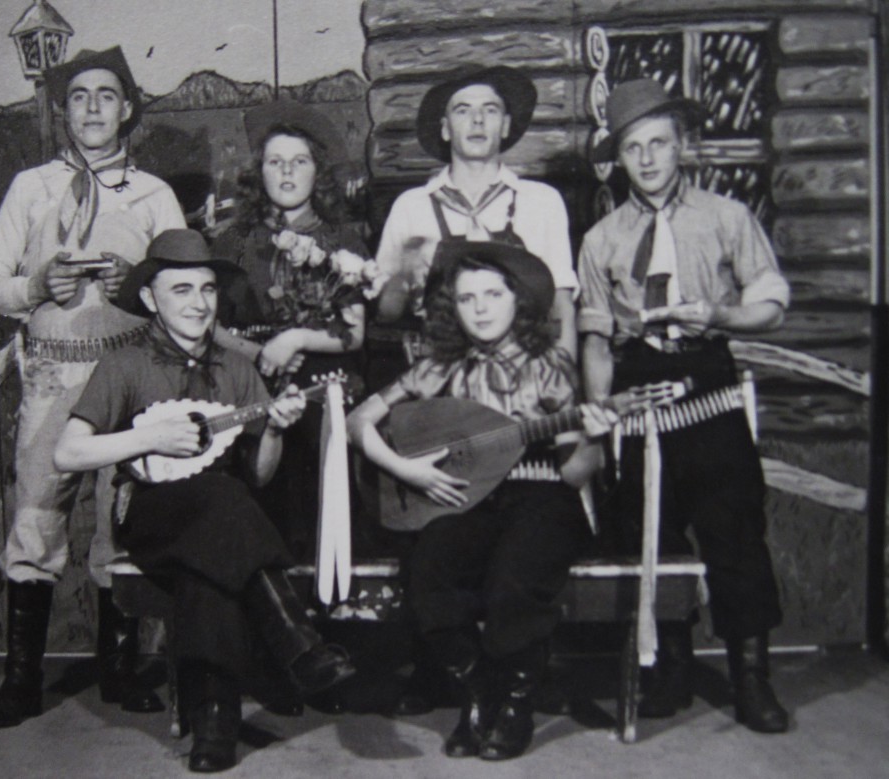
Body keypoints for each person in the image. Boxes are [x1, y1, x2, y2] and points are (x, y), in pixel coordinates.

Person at [54, 229, 356, 773]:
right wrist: (149, 439)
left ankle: (214, 722)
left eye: (208, 289)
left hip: (219, 521)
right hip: (150, 512)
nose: (199, 303)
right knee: (221, 502)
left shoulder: (237, 368)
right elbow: (67, 453)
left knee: (212, 545)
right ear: (150, 298)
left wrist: (273, 432)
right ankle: (298, 642)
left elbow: (261, 478)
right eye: (181, 290)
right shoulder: (125, 364)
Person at [0, 46, 186, 728]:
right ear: (62, 111)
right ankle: (21, 681)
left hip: (127, 375)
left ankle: (119, 670)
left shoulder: (153, 194)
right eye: (80, 96)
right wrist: (38, 286)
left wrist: (140, 283)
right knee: (37, 514)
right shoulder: (31, 188)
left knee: (118, 517)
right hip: (52, 375)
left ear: (128, 109)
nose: (93, 107)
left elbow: (185, 287)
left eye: (107, 95)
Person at [577, 78, 791, 733]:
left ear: (683, 146)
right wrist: (600, 405)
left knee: (734, 532)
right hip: (640, 388)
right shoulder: (602, 238)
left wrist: (721, 312)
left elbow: (772, 305)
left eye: (658, 144)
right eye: (632, 148)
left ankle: (750, 675)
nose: (646, 160)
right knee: (649, 530)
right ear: (618, 158)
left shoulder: (727, 217)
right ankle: (666, 664)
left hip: (710, 385)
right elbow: (594, 337)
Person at [347, 241, 616, 761]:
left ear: (518, 300)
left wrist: (596, 437)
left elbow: (573, 472)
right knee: (429, 576)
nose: (482, 308)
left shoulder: (549, 366)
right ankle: (480, 692)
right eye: (468, 298)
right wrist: (406, 469)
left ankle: (516, 703)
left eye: (493, 294)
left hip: (541, 492)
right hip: (464, 497)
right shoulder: (438, 366)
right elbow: (360, 422)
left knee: (514, 580)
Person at [211, 100, 370, 562]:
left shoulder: (343, 241)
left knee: (319, 506)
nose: (286, 173)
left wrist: (296, 338)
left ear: (316, 172)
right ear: (258, 172)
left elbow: (354, 333)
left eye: (298, 162)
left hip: (323, 387)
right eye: (274, 162)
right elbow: (208, 325)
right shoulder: (232, 242)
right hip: (247, 384)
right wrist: (256, 352)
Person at [373, 64, 578, 360]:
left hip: (524, 374)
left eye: (490, 110)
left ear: (506, 125)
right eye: (463, 110)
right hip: (440, 377)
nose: (477, 120)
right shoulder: (412, 206)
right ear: (445, 128)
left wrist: (563, 374)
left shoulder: (542, 202)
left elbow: (562, 303)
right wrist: (401, 277)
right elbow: (387, 313)